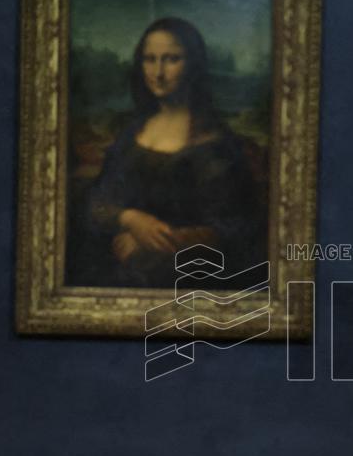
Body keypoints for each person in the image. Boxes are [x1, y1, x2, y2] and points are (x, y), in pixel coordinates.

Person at [85, 17, 265, 288]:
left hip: (190, 276)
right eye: (149, 59)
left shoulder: (215, 145)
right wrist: (131, 220)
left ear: (193, 65)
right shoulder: (132, 132)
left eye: (171, 59)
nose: (157, 72)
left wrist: (156, 240)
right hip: (120, 269)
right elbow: (97, 201)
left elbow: (236, 228)